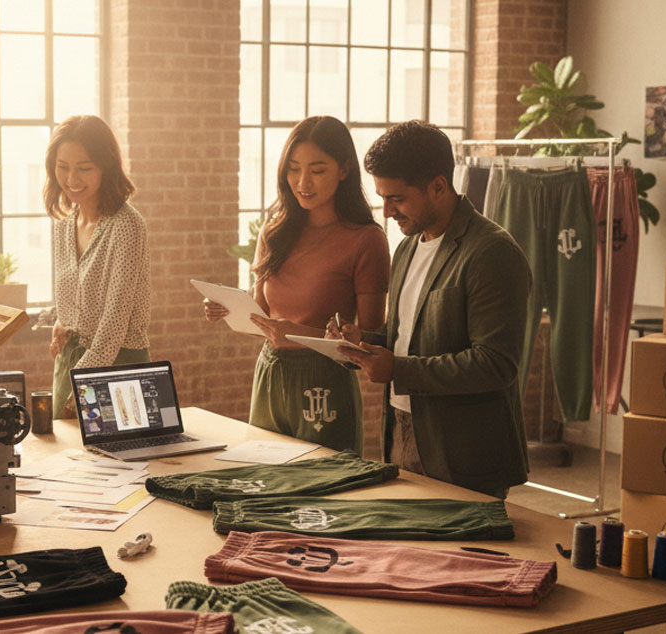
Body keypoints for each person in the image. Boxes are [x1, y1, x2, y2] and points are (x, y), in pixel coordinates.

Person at [333, 120, 532, 498]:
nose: (387, 211)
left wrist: (397, 369)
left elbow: (496, 363)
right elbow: (407, 336)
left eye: (397, 198)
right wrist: (362, 342)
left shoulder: (492, 252)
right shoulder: (408, 247)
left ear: (438, 186)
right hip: (401, 432)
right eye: (382, 197)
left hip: (465, 454)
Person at [204, 116, 390, 452]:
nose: (303, 181)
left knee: (327, 490)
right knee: (265, 483)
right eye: (293, 169)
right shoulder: (275, 232)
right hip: (271, 374)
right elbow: (262, 315)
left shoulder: (367, 240)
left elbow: (372, 339)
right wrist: (229, 307)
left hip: (324, 384)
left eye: (317, 170)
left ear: (344, 169)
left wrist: (302, 335)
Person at [44, 115, 151, 417]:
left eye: (84, 168)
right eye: (62, 167)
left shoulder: (127, 226)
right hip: (72, 362)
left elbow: (115, 323)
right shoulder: (64, 223)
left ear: (106, 166)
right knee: (63, 462)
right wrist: (62, 324)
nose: (71, 179)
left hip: (120, 368)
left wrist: (82, 385)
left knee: (131, 463)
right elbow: (75, 295)